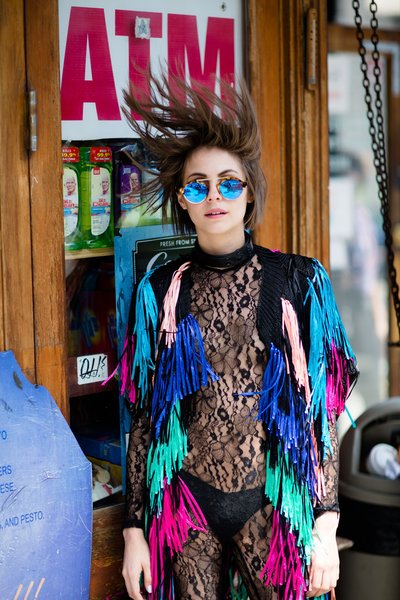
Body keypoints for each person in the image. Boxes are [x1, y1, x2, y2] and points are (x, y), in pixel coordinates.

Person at [117, 72, 359, 600]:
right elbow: (145, 417)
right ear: (182, 199)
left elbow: (322, 410)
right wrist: (134, 530)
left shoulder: (298, 281)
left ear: (249, 193)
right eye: (198, 185)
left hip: (271, 503)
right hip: (186, 506)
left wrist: (325, 525)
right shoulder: (159, 292)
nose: (214, 196)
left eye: (229, 183)